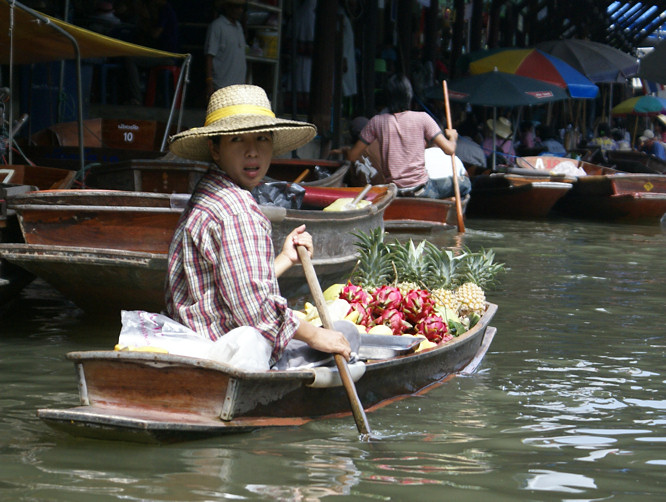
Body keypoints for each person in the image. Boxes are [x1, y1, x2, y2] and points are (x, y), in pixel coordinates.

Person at [165, 84, 353, 370]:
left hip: (199, 340)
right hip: (229, 355)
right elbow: (255, 311)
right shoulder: (238, 211)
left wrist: (285, 258)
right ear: (215, 149)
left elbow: (229, 287)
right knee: (348, 334)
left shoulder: (207, 192)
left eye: (262, 139)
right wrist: (317, 336)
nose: (252, 152)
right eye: (238, 140)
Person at [337, 74, 464, 199]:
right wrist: (453, 137)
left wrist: (346, 150)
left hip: (394, 192)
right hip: (421, 190)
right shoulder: (423, 118)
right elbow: (450, 149)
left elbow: (352, 156)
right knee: (465, 184)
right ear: (409, 95)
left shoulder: (376, 121)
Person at [204, 0, 247, 97]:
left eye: (241, 7)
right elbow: (209, 56)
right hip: (221, 86)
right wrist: (209, 83)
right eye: (236, 7)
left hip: (238, 88)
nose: (240, 10)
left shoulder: (239, 27)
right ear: (227, 7)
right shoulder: (217, 26)